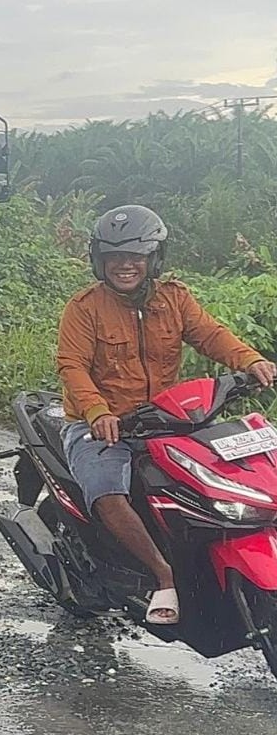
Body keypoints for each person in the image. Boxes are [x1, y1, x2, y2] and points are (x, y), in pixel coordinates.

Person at [57, 205, 277, 625]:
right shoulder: (84, 308)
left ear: (153, 258)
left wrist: (250, 360)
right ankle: (164, 575)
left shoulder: (174, 298)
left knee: (227, 472)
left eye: (135, 256)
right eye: (115, 257)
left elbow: (209, 335)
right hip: (103, 425)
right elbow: (73, 366)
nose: (125, 265)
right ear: (100, 261)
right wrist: (98, 411)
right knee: (108, 494)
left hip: (167, 419)